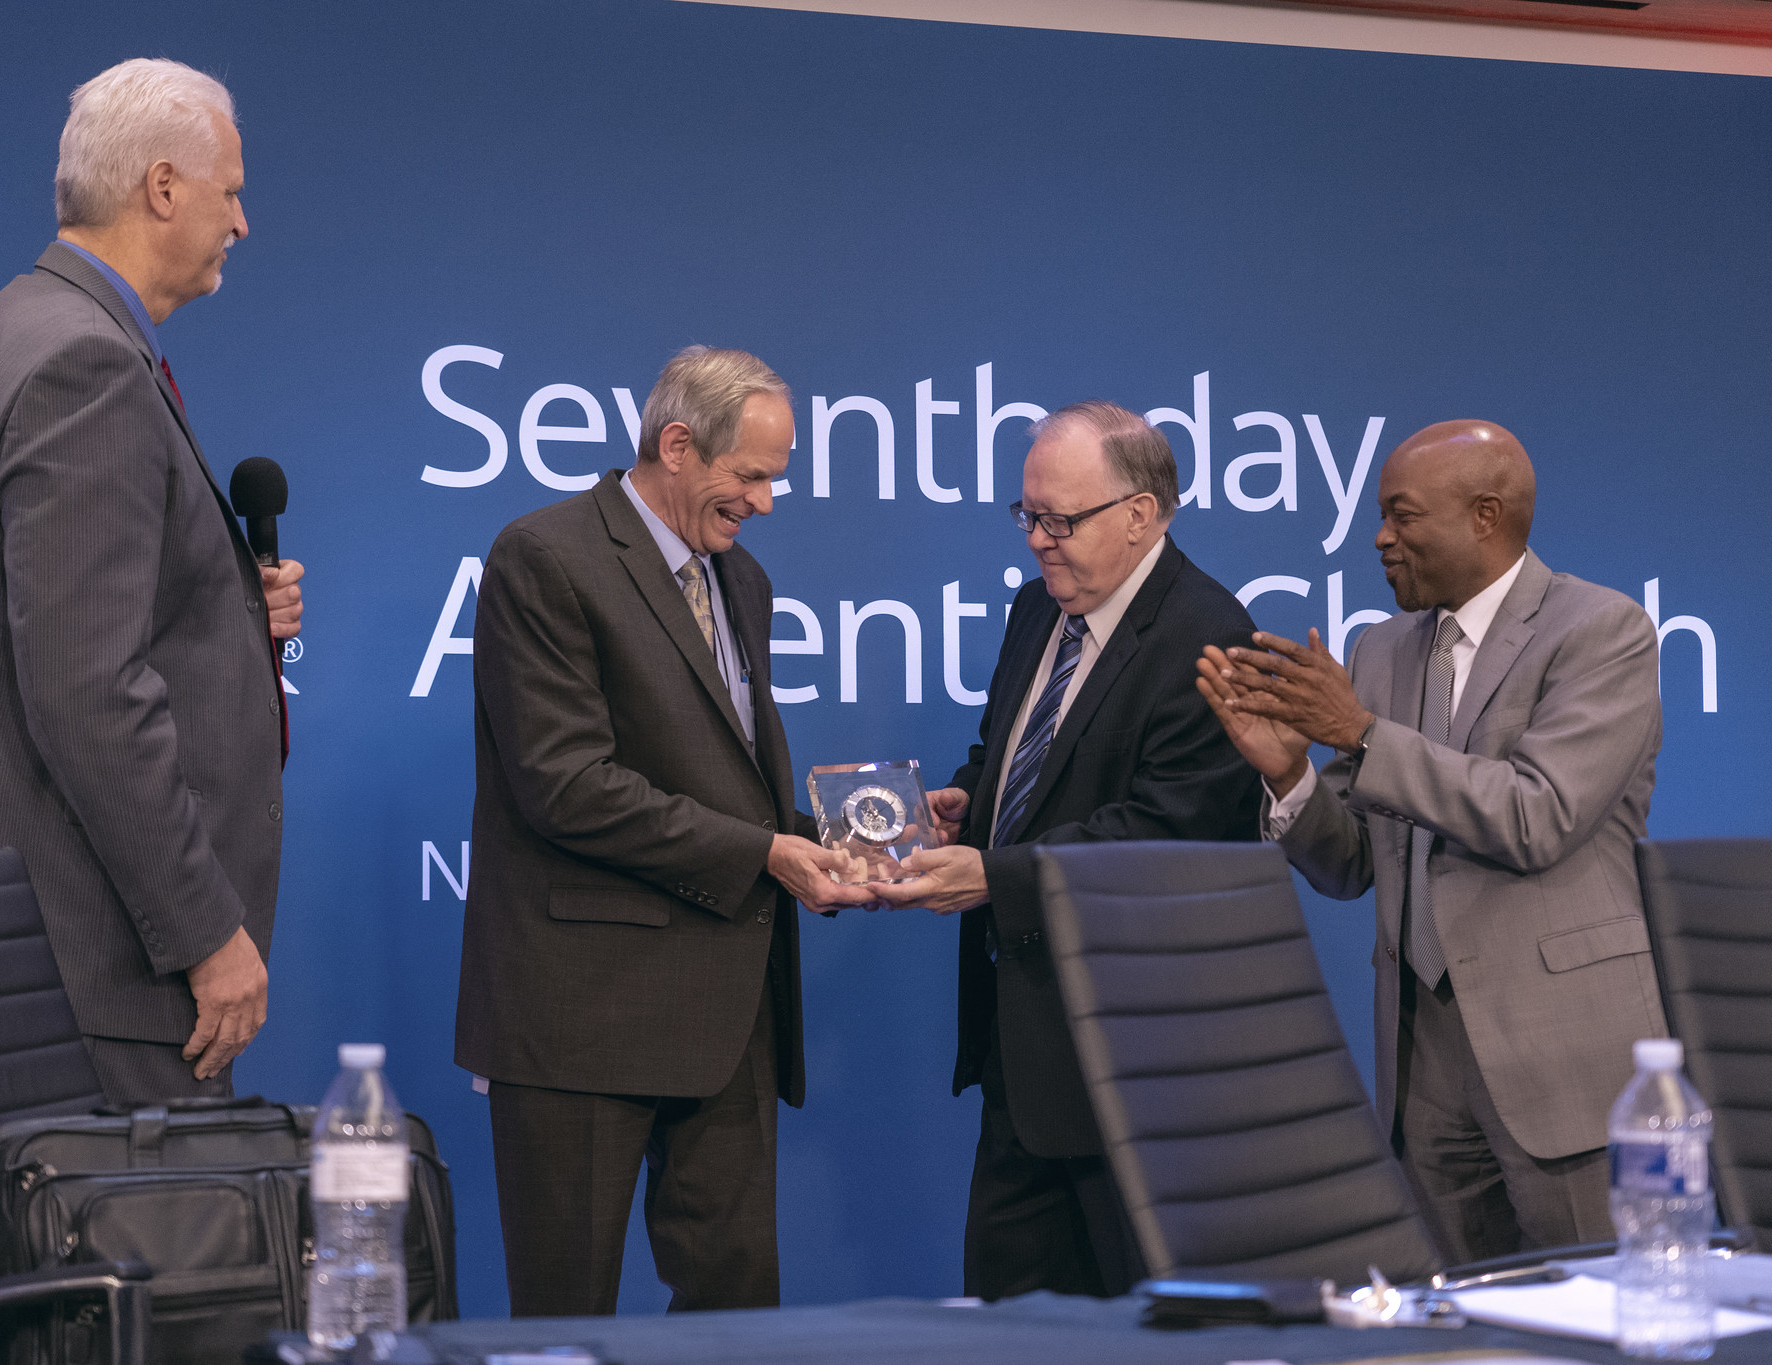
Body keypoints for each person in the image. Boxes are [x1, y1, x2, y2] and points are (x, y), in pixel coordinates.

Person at [0, 59, 303, 1105]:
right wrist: (205, 930)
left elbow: (66, 625)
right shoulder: (86, 365)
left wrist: (232, 611)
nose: (242, 223)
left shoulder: (18, 326)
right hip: (84, 979)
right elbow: (86, 691)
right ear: (163, 187)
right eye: (231, 192)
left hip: (16, 968)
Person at [456, 346, 871, 1317]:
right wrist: (764, 854)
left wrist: (839, 836)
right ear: (677, 445)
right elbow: (567, 785)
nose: (767, 500)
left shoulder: (742, 579)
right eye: (752, 475)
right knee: (563, 1322)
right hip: (581, 1017)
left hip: (728, 1014)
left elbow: (727, 786)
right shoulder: (546, 555)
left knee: (738, 1316)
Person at [1195, 419, 1666, 1262]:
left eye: (1401, 515)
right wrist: (1289, 775)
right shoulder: (1380, 648)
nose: (1380, 537)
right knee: (1452, 1316)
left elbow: (1537, 815)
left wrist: (1363, 733)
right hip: (1423, 1060)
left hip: (1556, 1053)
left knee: (1598, 1307)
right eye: (1381, 515)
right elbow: (1351, 861)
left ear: (1485, 516)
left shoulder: (1601, 630)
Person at [870, 401, 1262, 1300]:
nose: (1039, 542)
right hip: (1023, 1043)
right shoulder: (1037, 608)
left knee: (1139, 1327)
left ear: (1141, 515)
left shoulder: (1210, 637)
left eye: (1061, 520)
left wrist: (995, 875)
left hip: (1137, 1067)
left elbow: (1170, 836)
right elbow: (1014, 751)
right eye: (1028, 516)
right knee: (1007, 1323)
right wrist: (971, 802)